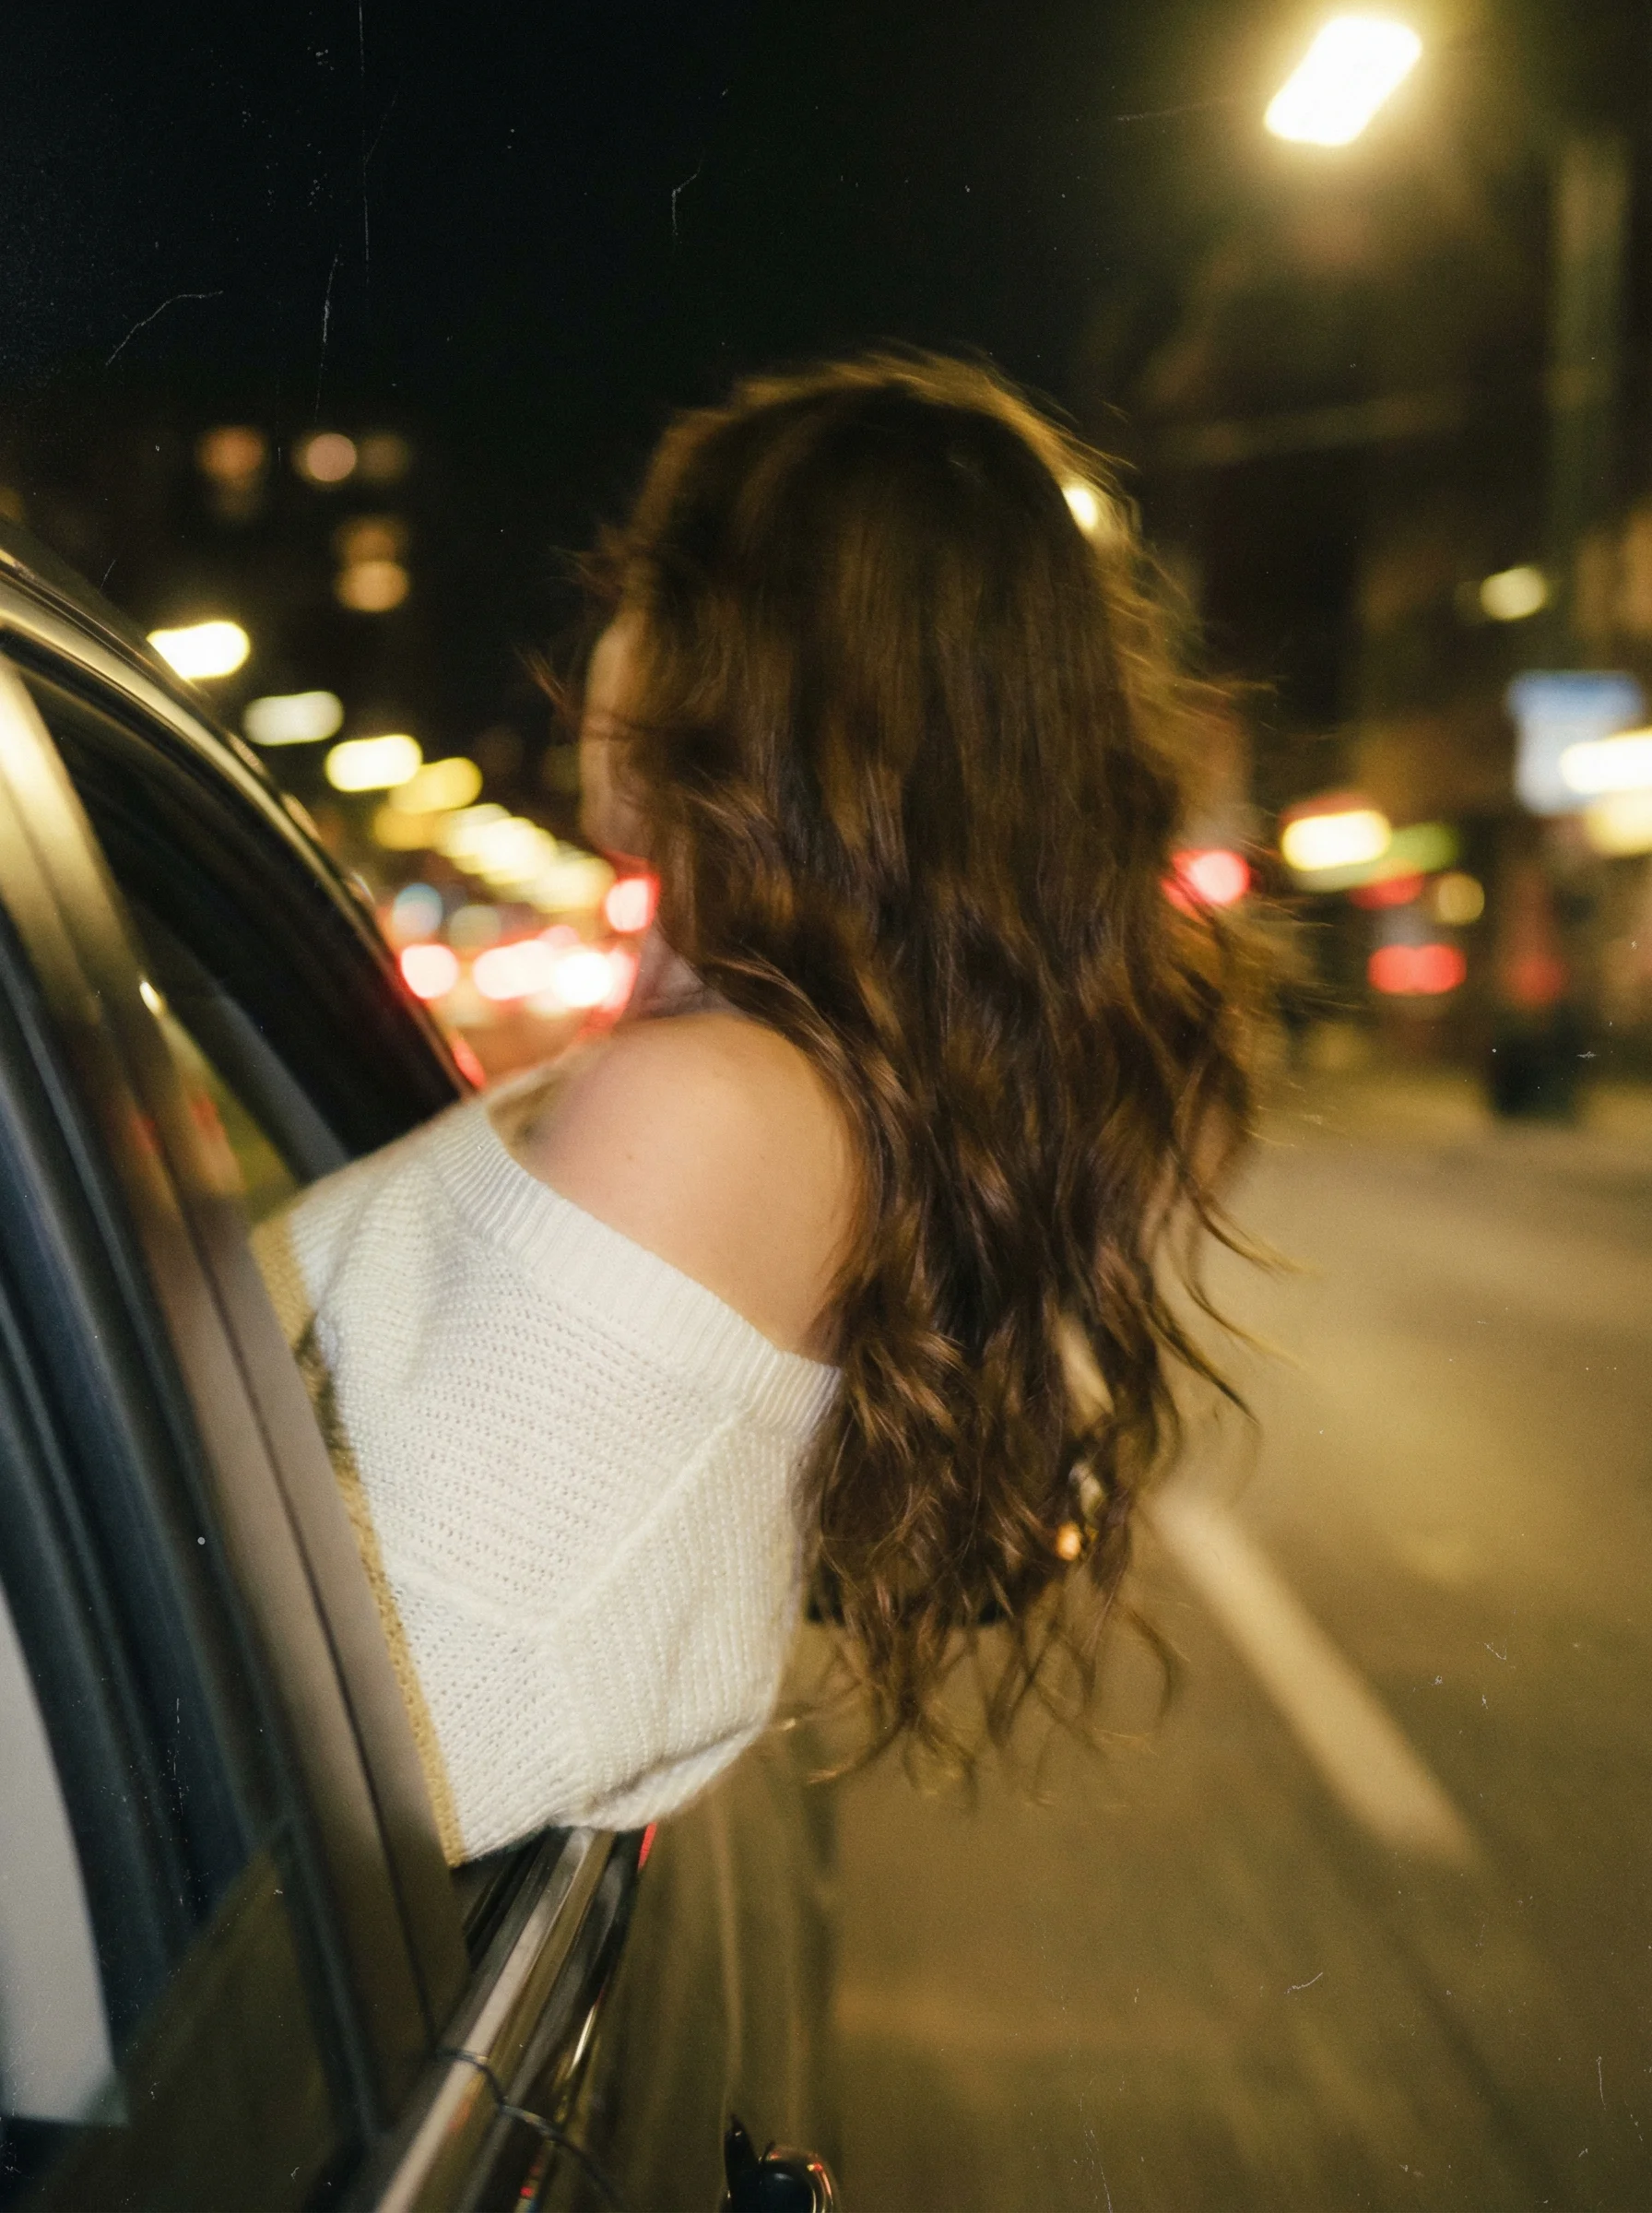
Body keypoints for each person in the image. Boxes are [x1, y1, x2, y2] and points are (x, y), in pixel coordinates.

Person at [254, 351, 1257, 1866]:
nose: (602, 650)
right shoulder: (759, 1077)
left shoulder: (716, 1106)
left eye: (644, 591)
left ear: (746, 675)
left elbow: (319, 1764)